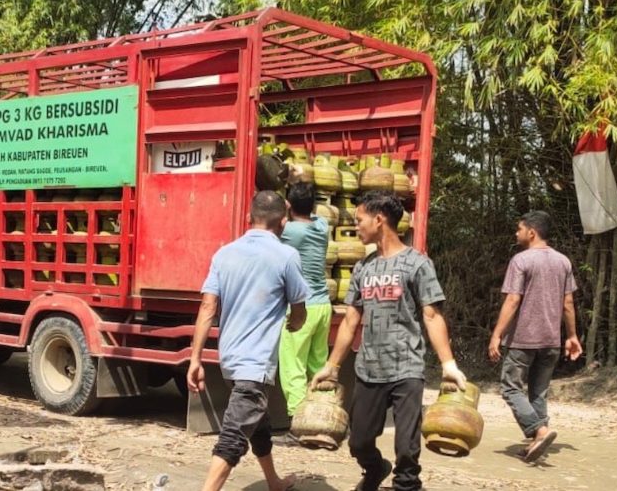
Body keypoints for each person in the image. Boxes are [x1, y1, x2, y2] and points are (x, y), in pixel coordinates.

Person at [311, 190, 467, 491]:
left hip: (406, 368)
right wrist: (331, 366)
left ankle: (406, 485)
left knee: (407, 449)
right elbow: (351, 320)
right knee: (358, 441)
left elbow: (432, 316)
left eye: (360, 220)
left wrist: (449, 364)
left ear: (379, 219)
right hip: (369, 368)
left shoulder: (417, 264)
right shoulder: (362, 268)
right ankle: (375, 468)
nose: (356, 227)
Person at [187, 190, 309, 491]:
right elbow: (299, 310)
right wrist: (294, 325)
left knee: (259, 424)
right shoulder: (287, 256)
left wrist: (195, 358)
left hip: (230, 361)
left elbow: (207, 307)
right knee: (233, 438)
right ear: (283, 222)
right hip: (254, 366)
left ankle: (274, 482)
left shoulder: (223, 254)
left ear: (248, 218)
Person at [488, 210, 582, 462]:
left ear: (531, 232)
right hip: (551, 340)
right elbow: (568, 303)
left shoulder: (521, 260)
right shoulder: (563, 261)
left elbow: (512, 299)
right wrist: (571, 336)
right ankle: (536, 443)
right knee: (538, 393)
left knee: (510, 388)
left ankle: (539, 430)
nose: (516, 233)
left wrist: (497, 334)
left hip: (523, 340)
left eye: (519, 229)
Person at [278, 182, 333, 422]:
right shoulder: (322, 226)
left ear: (289, 205)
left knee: (293, 366)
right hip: (323, 306)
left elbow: (269, 225)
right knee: (318, 365)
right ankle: (324, 414)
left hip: (302, 307)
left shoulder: (289, 231)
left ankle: (297, 420)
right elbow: (315, 216)